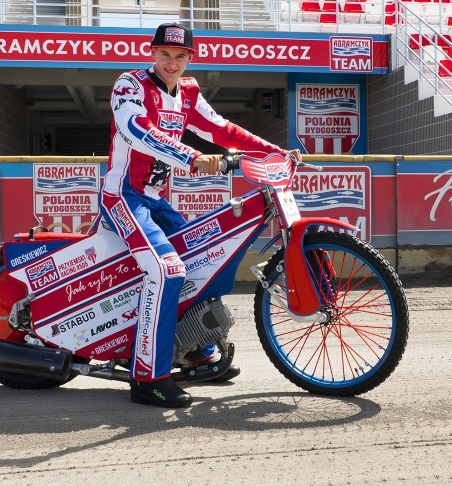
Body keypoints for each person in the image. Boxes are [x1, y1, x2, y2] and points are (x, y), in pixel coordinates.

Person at [99, 22, 301, 408]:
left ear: (189, 58)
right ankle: (148, 378)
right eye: (164, 55)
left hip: (155, 200)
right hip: (123, 197)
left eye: (180, 56)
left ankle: (194, 352)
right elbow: (135, 130)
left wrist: (273, 151)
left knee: (200, 259)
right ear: (152, 53)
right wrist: (190, 157)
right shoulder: (130, 85)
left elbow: (221, 130)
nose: (171, 63)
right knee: (168, 270)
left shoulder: (188, 92)